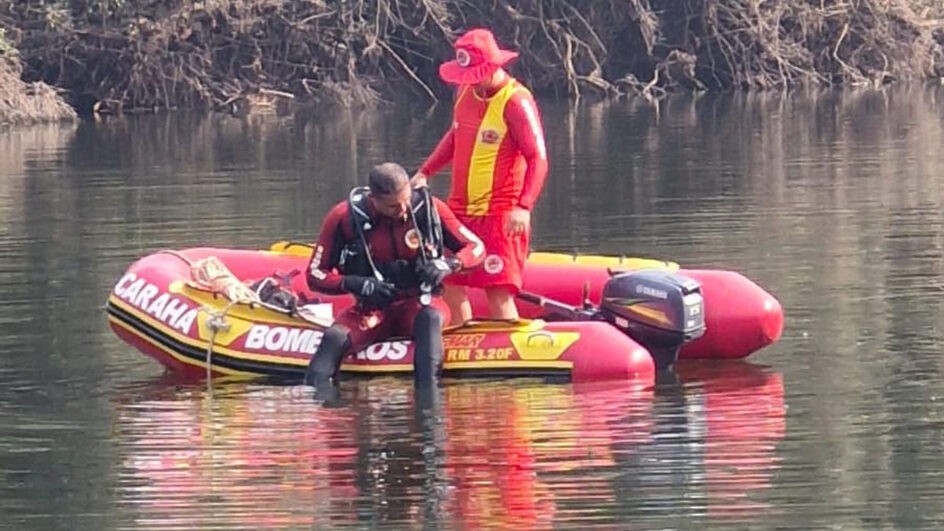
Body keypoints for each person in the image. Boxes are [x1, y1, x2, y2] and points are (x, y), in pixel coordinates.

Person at [304, 162, 485, 389]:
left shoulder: (429, 209)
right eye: (392, 206)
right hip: (371, 309)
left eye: (405, 200)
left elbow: (476, 247)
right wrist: (353, 283)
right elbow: (314, 274)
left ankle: (429, 411)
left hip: (420, 304)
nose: (403, 210)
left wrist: (450, 264)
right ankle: (321, 410)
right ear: (373, 198)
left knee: (429, 320)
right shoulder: (344, 218)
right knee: (333, 339)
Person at [412, 28, 548, 326]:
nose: (469, 80)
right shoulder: (464, 90)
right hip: (459, 210)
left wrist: (523, 206)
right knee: (449, 281)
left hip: (500, 212)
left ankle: (508, 356)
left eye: (475, 73)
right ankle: (462, 344)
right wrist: (425, 171)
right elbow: (455, 135)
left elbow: (538, 157)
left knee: (498, 290)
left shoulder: (516, 101)